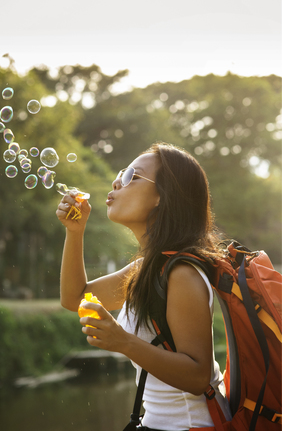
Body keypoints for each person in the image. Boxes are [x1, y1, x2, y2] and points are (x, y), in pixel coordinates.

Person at [56, 142, 231, 431]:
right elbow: (74, 298)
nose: (116, 181)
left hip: (190, 426)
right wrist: (75, 232)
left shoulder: (181, 273)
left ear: (162, 197)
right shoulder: (146, 268)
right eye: (120, 173)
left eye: (131, 177)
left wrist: (123, 342)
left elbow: (198, 377)